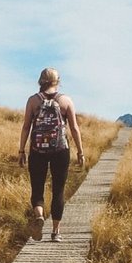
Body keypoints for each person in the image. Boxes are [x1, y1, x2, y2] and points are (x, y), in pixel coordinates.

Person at [18, 67, 84, 241]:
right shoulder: (66, 101)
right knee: (58, 190)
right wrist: (80, 152)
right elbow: (74, 128)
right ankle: (56, 232)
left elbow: (26, 127)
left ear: (40, 80)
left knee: (37, 188)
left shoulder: (33, 101)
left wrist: (21, 150)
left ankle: (39, 215)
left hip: (37, 150)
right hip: (60, 150)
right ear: (58, 81)